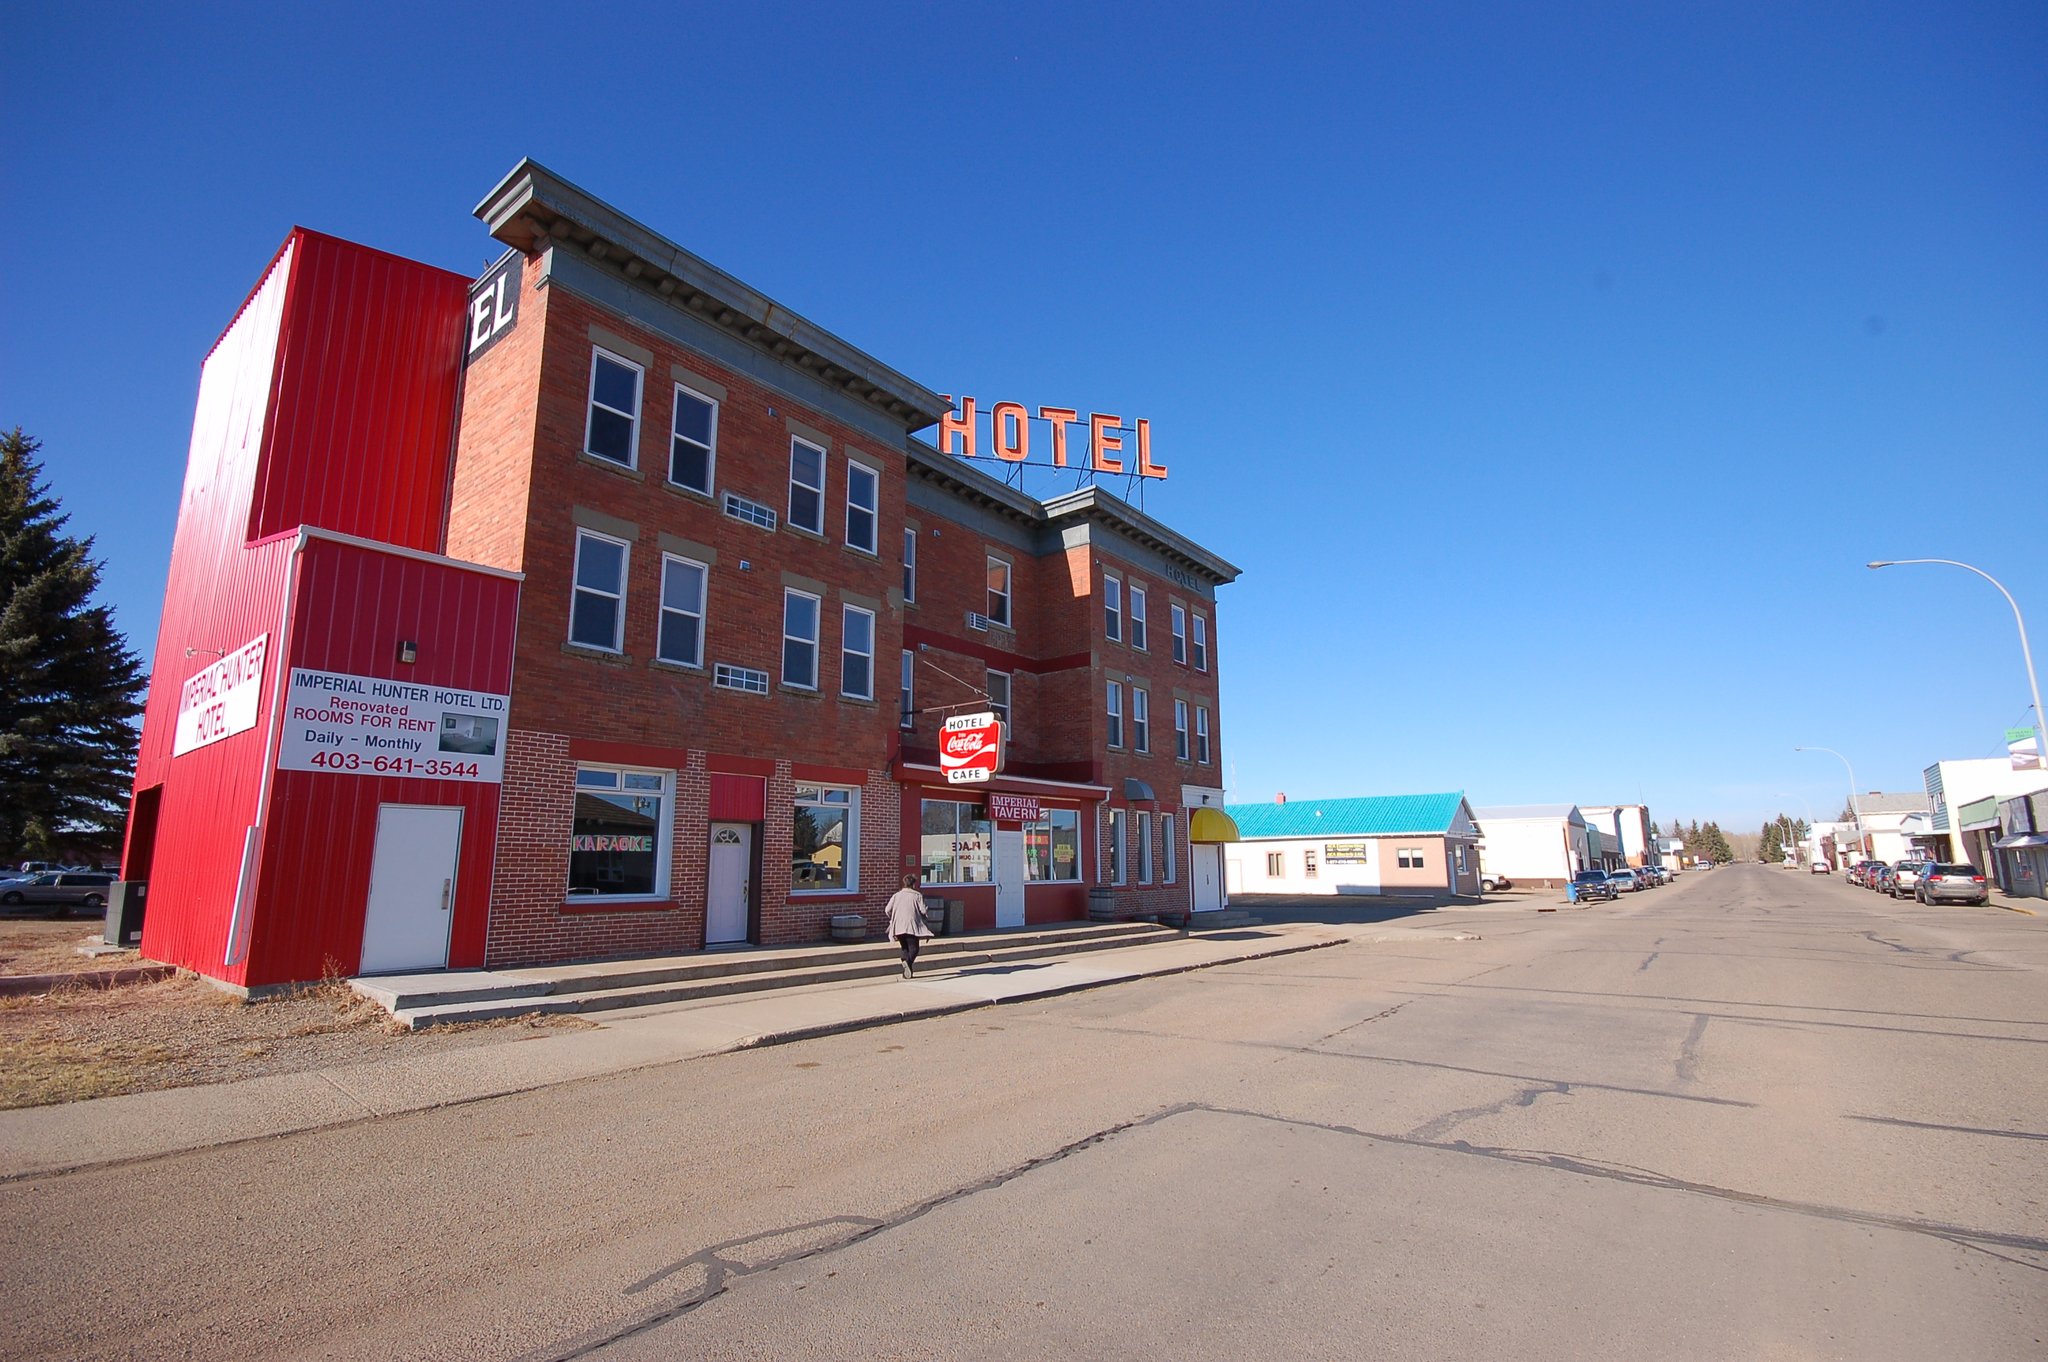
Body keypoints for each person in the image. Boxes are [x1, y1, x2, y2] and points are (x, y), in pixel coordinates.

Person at [885, 874, 934, 978]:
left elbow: (887, 910)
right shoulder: (917, 895)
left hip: (898, 926)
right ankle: (907, 962)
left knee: (905, 948)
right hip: (912, 925)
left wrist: (893, 917)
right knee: (914, 948)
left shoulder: (896, 895)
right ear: (913, 884)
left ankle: (907, 972)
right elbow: (923, 910)